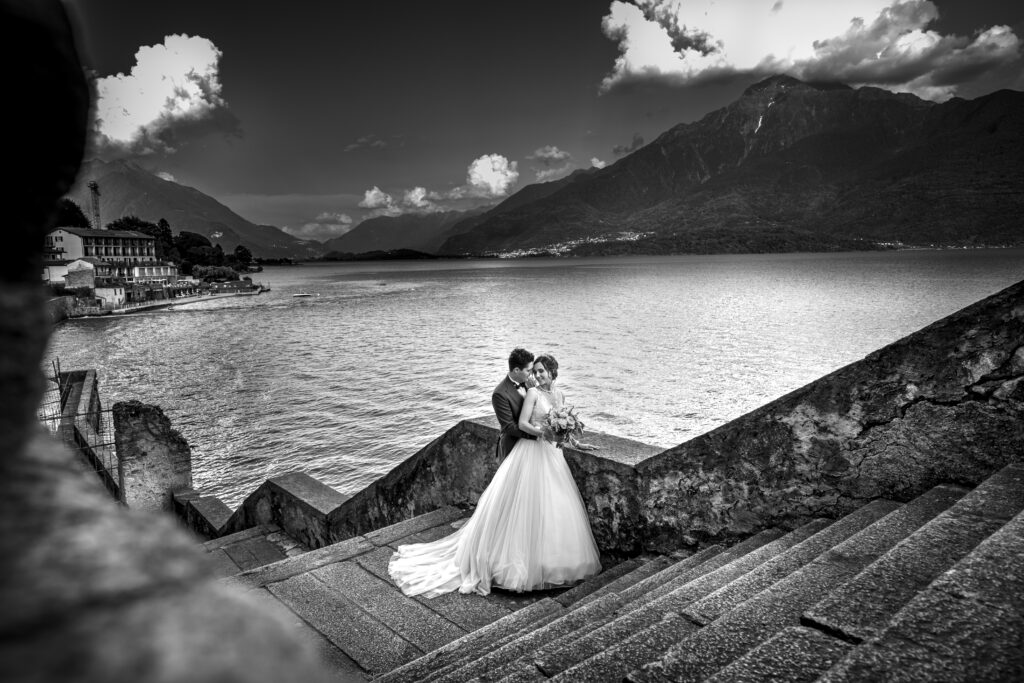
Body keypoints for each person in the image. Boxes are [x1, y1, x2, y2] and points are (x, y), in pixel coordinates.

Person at [389, 353, 602, 597]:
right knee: (522, 506)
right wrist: (543, 434)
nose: (538, 375)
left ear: (553, 372)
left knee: (555, 506)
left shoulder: (559, 394)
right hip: (531, 452)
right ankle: (517, 564)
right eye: (536, 371)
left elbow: (562, 428)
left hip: (553, 456)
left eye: (542, 371)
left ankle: (554, 563)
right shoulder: (532, 393)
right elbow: (521, 424)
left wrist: (576, 442)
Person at [491, 347, 537, 460]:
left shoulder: (530, 383)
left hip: (533, 447)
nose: (532, 374)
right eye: (528, 370)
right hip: (512, 446)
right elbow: (509, 427)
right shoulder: (500, 393)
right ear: (516, 370)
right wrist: (537, 434)